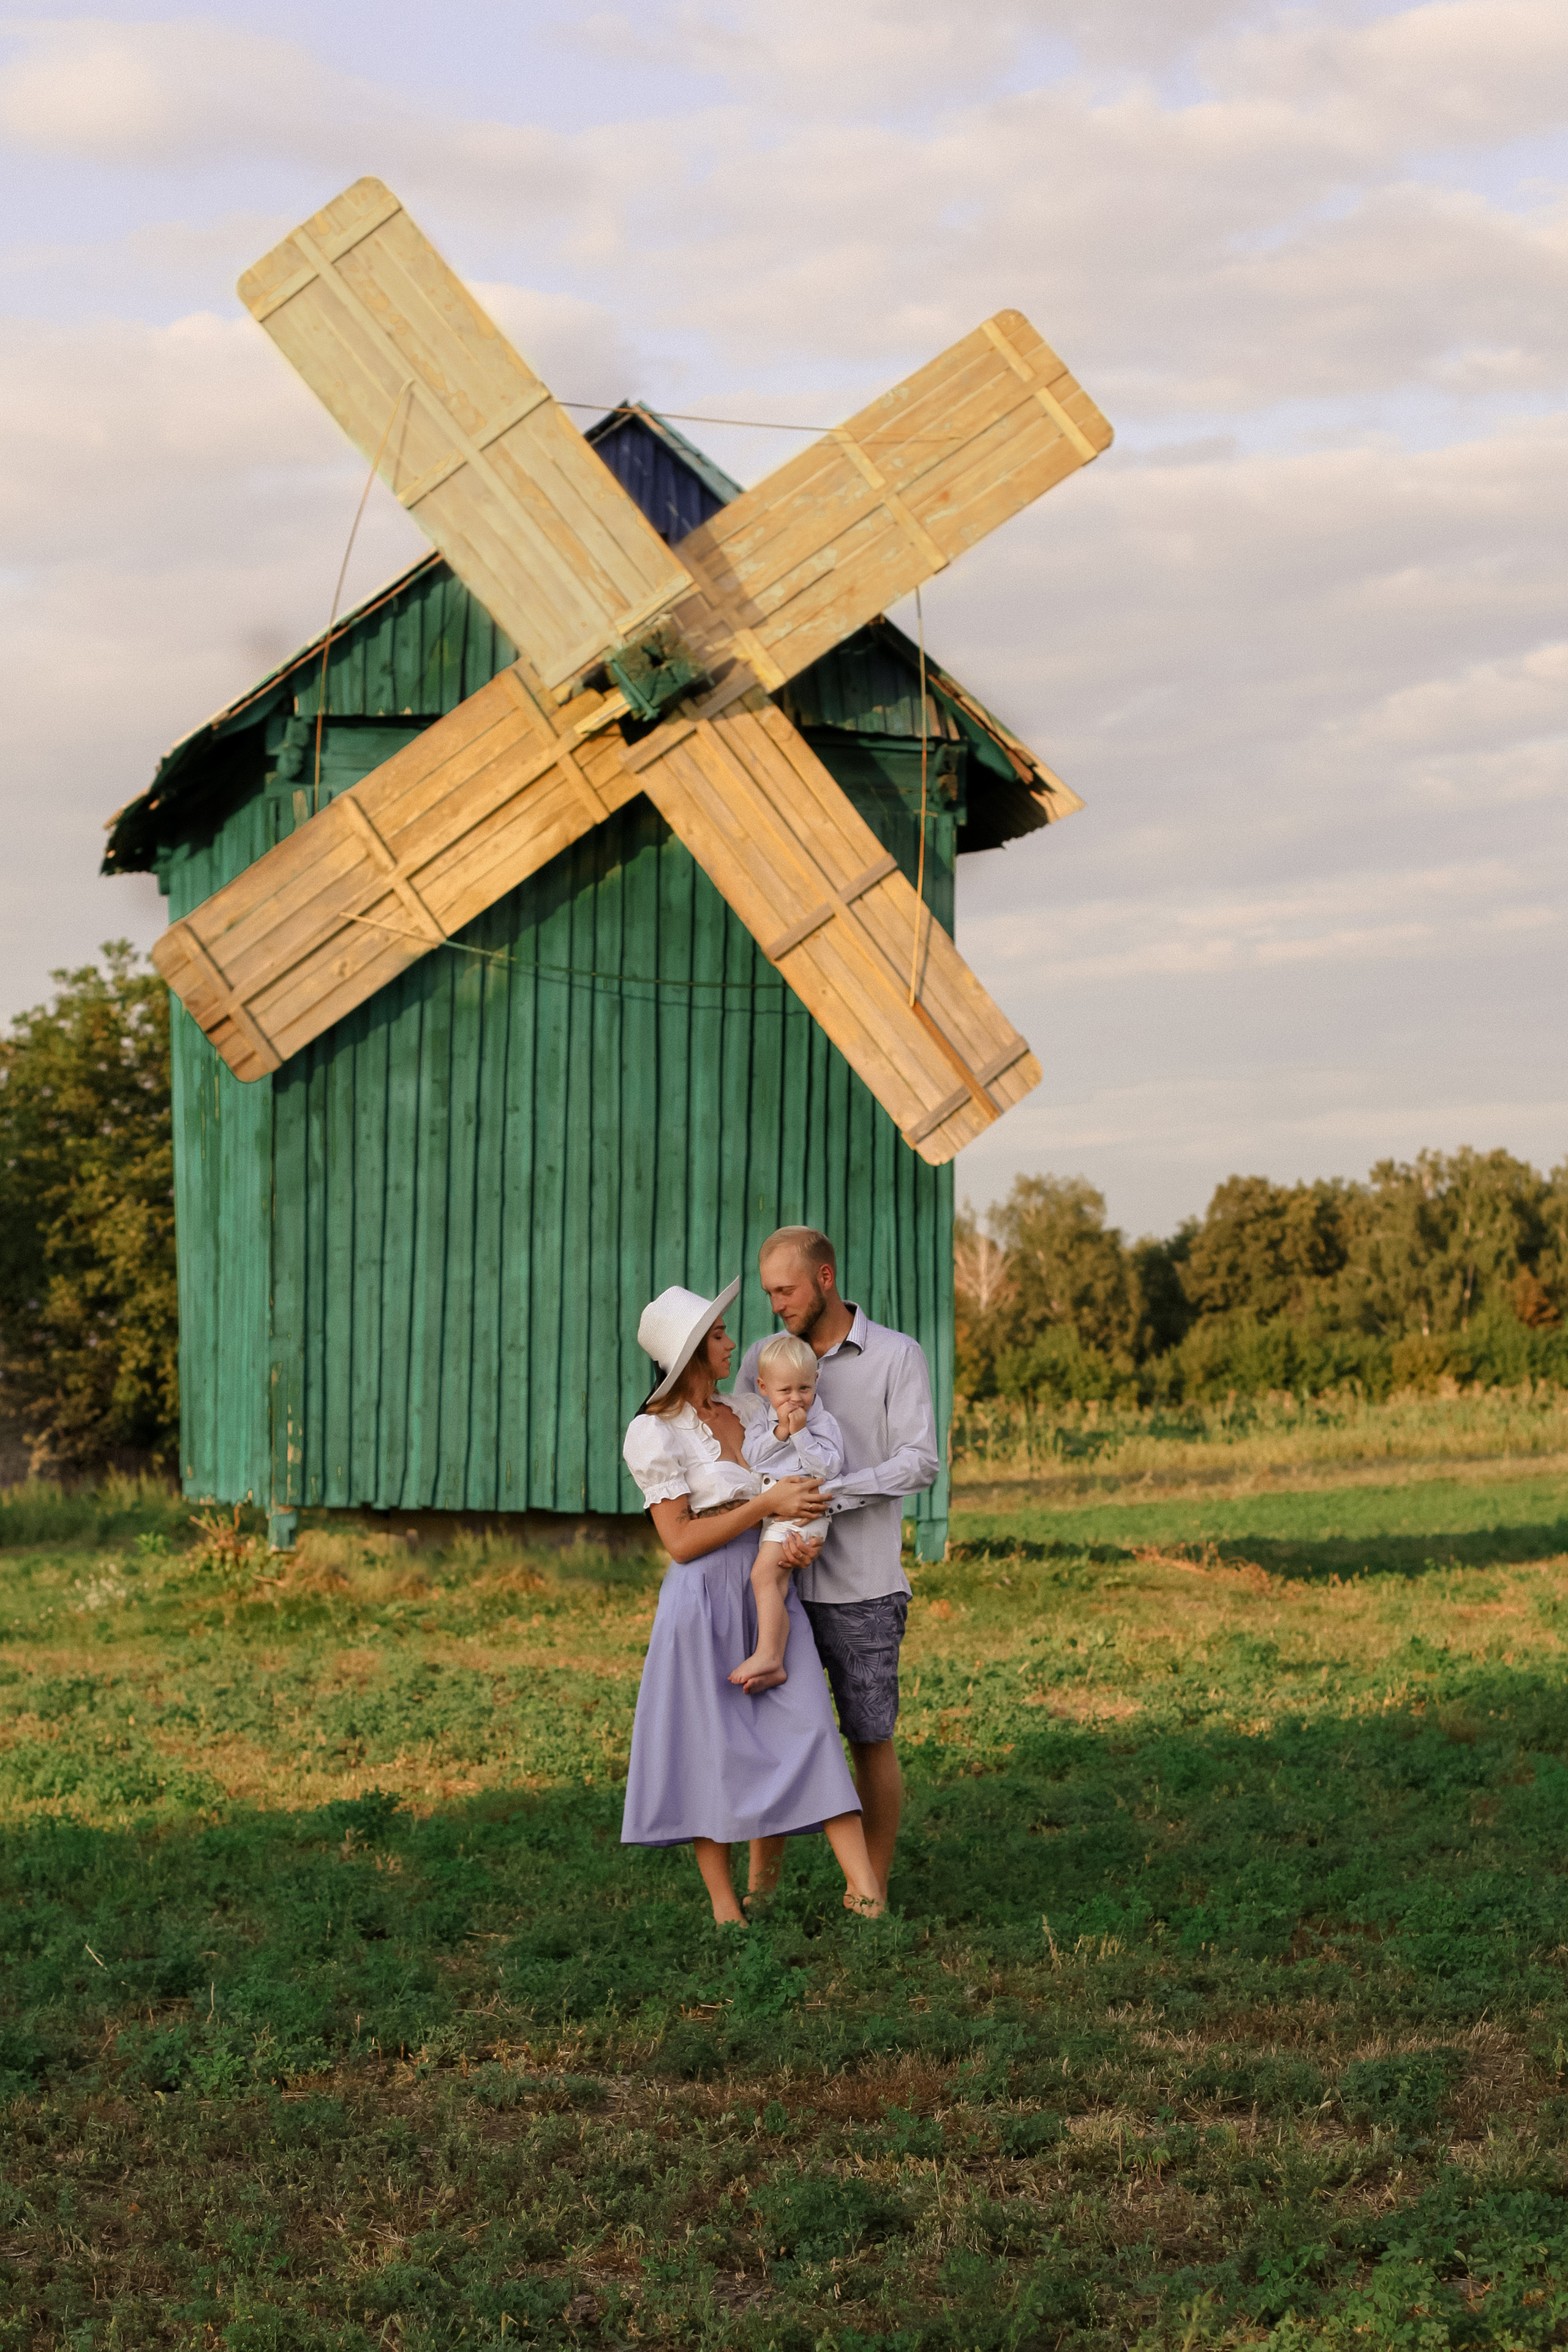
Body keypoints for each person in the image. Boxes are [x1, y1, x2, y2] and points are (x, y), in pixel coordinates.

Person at [620, 1276, 884, 1924]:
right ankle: (725, 1910)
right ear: (685, 1355)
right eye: (716, 1336)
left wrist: (794, 1538)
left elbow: (791, 1477)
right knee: (704, 1745)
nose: (730, 1342)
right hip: (702, 1600)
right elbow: (680, 1542)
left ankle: (869, 1897)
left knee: (808, 1726)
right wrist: (766, 1504)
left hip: (770, 1585)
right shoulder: (653, 1434)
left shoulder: (747, 1407)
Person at [734, 1227, 939, 1907]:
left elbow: (919, 1460)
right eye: (768, 1293)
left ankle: (868, 1890)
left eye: (785, 1291)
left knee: (869, 1735)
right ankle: (761, 1893)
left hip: (863, 1586)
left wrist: (827, 1498)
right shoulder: (762, 1364)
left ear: (824, 1279)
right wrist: (776, 1513)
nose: (775, 1306)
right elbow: (744, 1457)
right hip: (781, 1586)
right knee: (774, 1737)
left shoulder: (896, 1357)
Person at [728, 1333, 845, 1694]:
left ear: (816, 1382)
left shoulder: (821, 1422)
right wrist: (782, 1432)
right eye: (785, 1391)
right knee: (774, 1584)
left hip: (804, 1514)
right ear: (763, 1387)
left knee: (763, 1576)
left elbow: (829, 1467)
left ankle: (768, 1655)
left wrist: (801, 1435)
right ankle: (775, 1658)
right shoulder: (763, 1421)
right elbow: (752, 1457)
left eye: (804, 1388)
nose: (796, 1399)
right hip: (778, 1516)